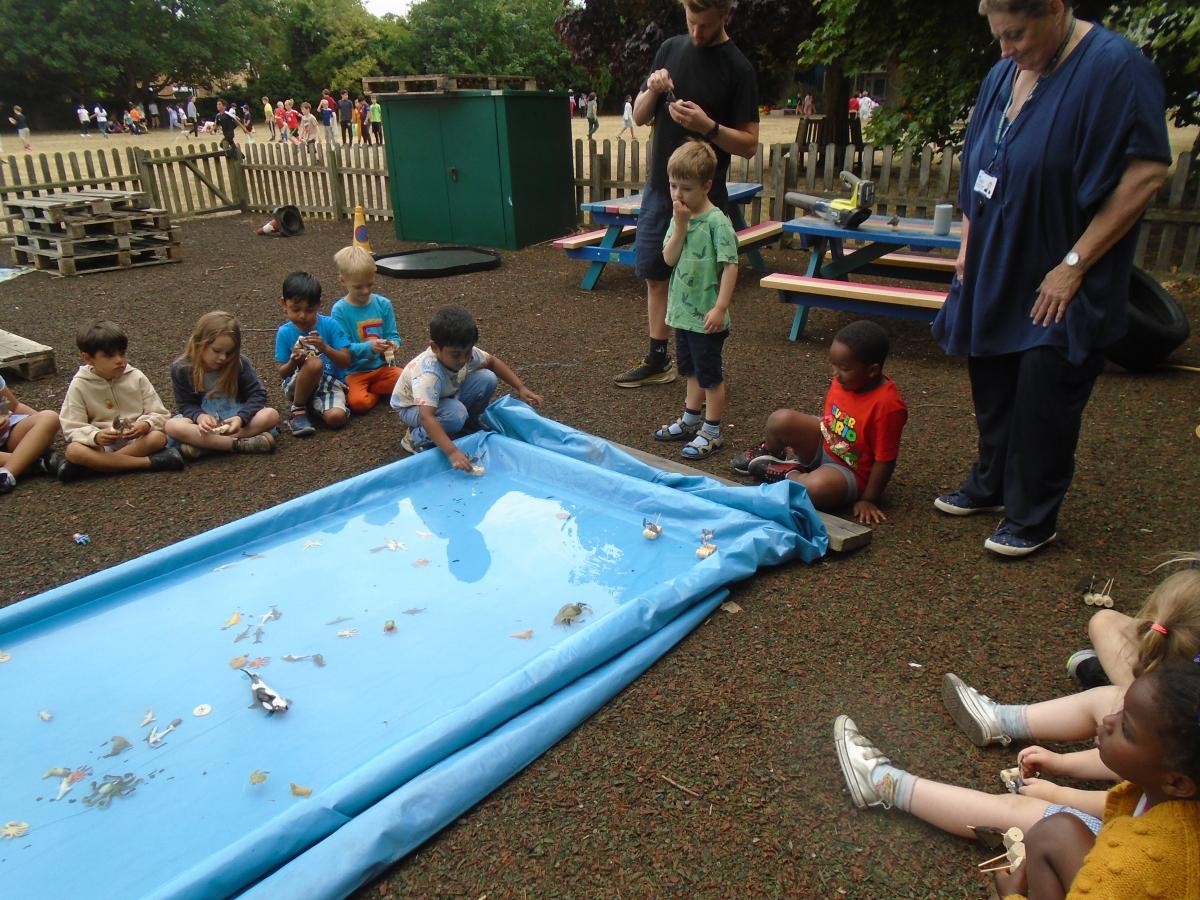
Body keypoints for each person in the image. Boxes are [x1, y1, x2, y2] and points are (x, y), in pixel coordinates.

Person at [931, 0, 1172, 558]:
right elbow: (980, 163)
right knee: (993, 379)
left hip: (1062, 269)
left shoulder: (1116, 67)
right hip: (997, 262)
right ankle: (991, 483)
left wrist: (1073, 265)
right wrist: (968, 243)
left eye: (1016, 35)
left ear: (1056, 10)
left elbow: (1146, 173)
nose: (1006, 50)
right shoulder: (1004, 71)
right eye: (999, 36)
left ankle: (1032, 515)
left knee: (1045, 387)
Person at [835, 661, 1200, 899]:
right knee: (1056, 830)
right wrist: (1062, 781)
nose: (1107, 721)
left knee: (1023, 814)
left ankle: (884, 784)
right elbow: (1122, 803)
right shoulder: (1172, 790)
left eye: (1126, 729)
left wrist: (1011, 895)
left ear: (1179, 783)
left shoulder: (1133, 868)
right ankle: (998, 720)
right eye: (1119, 710)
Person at [615, 0, 759, 389]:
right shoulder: (670, 49)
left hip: (705, 201)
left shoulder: (739, 68)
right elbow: (640, 115)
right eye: (691, 21)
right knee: (655, 273)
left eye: (706, 25)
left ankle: (701, 366)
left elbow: (749, 145)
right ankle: (658, 359)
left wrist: (708, 126)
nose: (696, 32)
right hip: (661, 191)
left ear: (726, 14)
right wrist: (652, 88)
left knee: (699, 280)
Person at [939, 554, 1200, 767]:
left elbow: (1148, 765)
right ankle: (1131, 694)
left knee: (1105, 702)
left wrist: (1063, 766)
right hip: (1169, 723)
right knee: (1105, 621)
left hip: (1167, 756)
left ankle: (1001, 720)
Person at [731, 320, 908, 526]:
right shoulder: (847, 380)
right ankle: (771, 454)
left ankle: (789, 473)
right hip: (826, 439)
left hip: (850, 470)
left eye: (843, 368)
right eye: (833, 364)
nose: (835, 373)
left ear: (872, 371)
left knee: (814, 490)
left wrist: (869, 498)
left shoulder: (888, 406)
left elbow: (885, 460)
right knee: (780, 420)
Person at [650, 140, 737, 461]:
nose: (678, 194)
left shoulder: (717, 222)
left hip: (707, 317)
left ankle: (712, 431)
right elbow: (668, 258)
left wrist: (720, 307)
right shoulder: (680, 218)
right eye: (673, 186)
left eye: (686, 188)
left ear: (707, 186)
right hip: (683, 314)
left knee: (710, 375)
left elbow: (730, 266)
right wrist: (681, 225)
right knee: (690, 371)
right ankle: (690, 419)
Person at [389, 304, 542, 468]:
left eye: (467, 352)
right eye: (455, 355)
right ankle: (416, 437)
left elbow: (492, 362)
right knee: (455, 414)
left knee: (487, 378)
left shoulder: (465, 353)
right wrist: (452, 452)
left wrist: (521, 387)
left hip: (444, 395)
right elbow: (427, 416)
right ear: (435, 348)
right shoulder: (428, 374)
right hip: (412, 407)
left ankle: (469, 424)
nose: (463, 360)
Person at [54, 320, 184, 481]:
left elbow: (161, 413)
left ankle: (95, 467)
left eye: (122, 353)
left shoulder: (136, 376)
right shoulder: (79, 384)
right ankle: (148, 463)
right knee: (74, 450)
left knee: (157, 437)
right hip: (102, 446)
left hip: (136, 441)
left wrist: (145, 424)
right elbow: (71, 426)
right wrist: (95, 436)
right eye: (109, 355)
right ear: (88, 358)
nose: (119, 360)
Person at [164, 311, 280, 459]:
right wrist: (200, 416)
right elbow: (186, 405)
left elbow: (258, 394)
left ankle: (207, 446)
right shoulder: (182, 368)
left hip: (235, 418)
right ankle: (241, 444)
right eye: (217, 351)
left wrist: (241, 418)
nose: (223, 358)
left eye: (229, 353)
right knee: (172, 426)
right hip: (205, 424)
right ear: (200, 343)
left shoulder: (239, 363)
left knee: (271, 415)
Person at [274, 271, 353, 437]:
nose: (302, 316)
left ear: (318, 305)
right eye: (296, 309)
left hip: (328, 383)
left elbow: (346, 361)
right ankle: (298, 411)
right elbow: (282, 373)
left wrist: (325, 348)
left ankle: (312, 406)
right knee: (315, 363)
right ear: (283, 303)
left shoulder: (330, 324)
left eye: (309, 310)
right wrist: (293, 361)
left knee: (337, 419)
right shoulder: (284, 332)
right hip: (296, 383)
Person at [330, 245, 403, 414]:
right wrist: (370, 347)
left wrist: (393, 344)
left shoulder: (383, 304)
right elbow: (343, 349)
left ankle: (373, 390)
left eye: (370, 284)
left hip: (382, 368)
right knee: (358, 404)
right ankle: (377, 392)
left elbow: (393, 335)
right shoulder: (339, 310)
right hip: (355, 371)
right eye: (358, 287)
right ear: (342, 281)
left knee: (406, 380)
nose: (365, 291)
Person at [0, 373, 59, 494]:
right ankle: (36, 463)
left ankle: (8, 472)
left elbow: (13, 406)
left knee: (50, 417)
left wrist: (43, 431)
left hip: (8, 436)